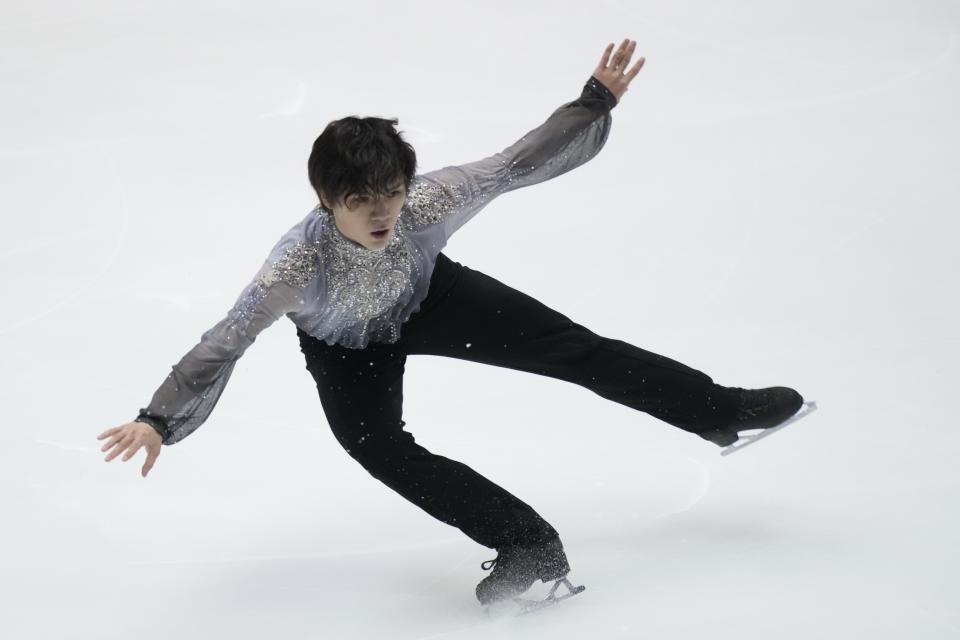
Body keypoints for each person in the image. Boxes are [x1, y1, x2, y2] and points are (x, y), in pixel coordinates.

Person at [97, 38, 804, 606]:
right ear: (325, 199)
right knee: (378, 446)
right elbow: (224, 341)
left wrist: (592, 103)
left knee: (576, 350)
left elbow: (518, 160)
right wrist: (158, 418)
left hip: (433, 298)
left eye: (392, 194)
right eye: (361, 200)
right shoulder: (295, 267)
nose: (381, 213)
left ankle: (721, 409)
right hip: (345, 347)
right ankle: (526, 544)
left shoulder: (429, 203)